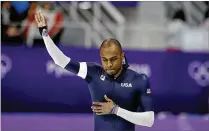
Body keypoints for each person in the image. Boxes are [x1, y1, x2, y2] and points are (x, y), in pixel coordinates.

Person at [35, 10, 154, 131]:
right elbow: (61, 61)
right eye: (105, 59)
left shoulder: (139, 79)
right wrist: (44, 33)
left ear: (122, 56)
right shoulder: (93, 72)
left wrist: (115, 110)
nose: (109, 64)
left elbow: (149, 120)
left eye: (113, 59)